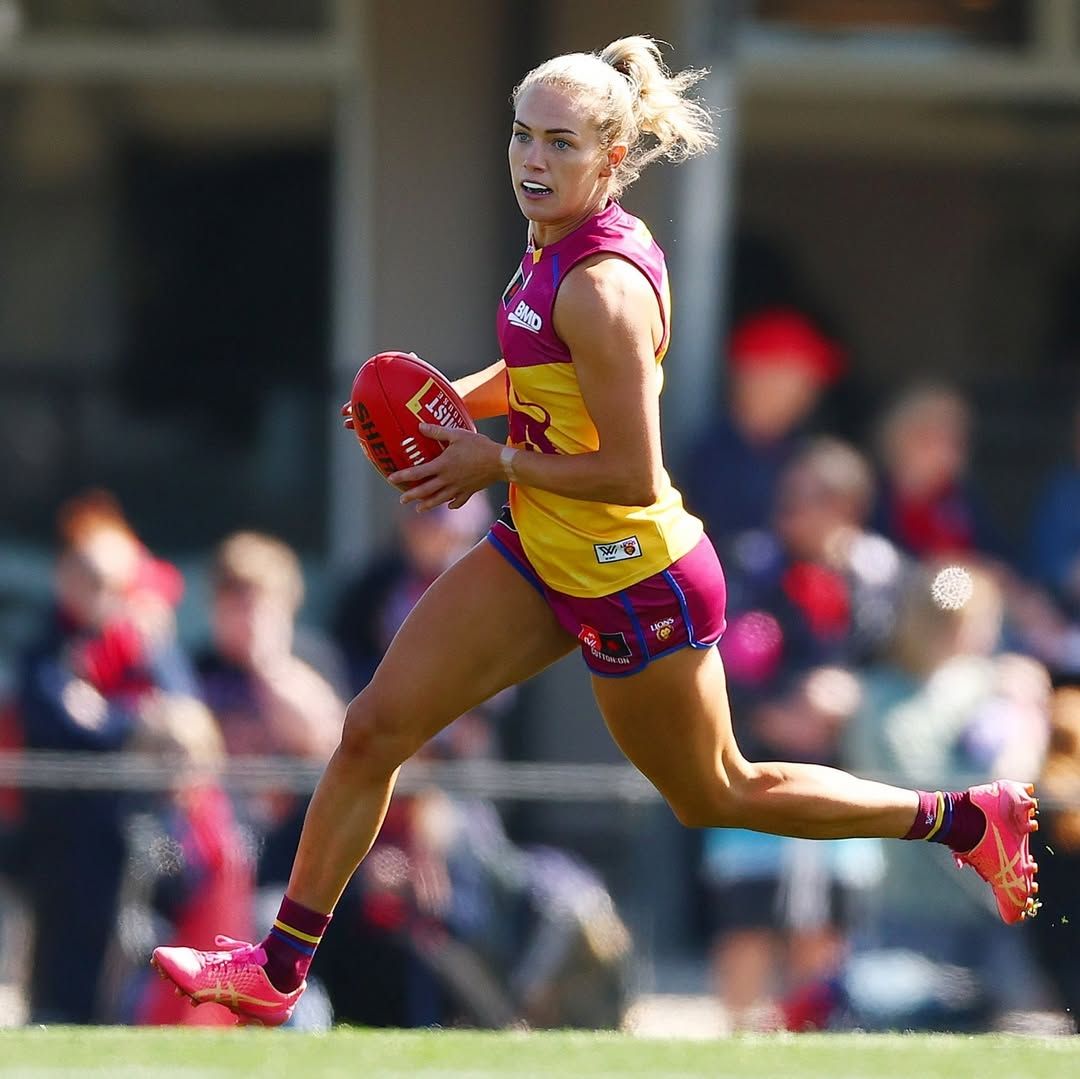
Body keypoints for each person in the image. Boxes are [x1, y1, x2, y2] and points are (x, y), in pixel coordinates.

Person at [152, 36, 1040, 1026]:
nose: (532, 159)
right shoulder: (552, 243)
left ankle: (963, 817)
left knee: (721, 792)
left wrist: (492, 462)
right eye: (521, 135)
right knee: (372, 729)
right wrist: (453, 407)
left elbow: (632, 473)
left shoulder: (600, 288)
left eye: (560, 143)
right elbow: (538, 373)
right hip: (543, 548)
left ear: (612, 159)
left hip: (635, 576)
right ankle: (278, 966)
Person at [680, 306, 844, 554]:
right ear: (754, 375)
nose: (809, 392)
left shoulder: (804, 453)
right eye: (799, 377)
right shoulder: (710, 460)